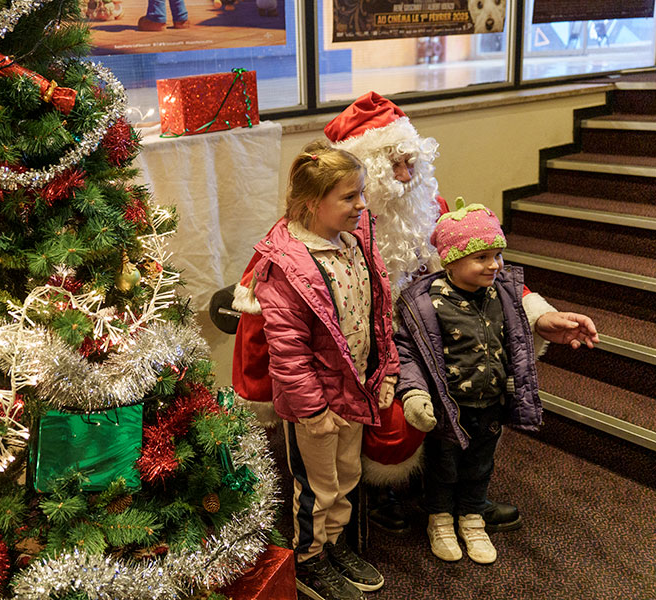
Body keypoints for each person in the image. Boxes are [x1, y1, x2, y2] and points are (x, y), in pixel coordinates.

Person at [323, 91, 601, 532]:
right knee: (398, 419)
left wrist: (540, 316)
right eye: (391, 166)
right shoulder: (336, 219)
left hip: (436, 332)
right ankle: (382, 489)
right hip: (366, 351)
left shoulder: (428, 207)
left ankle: (465, 496)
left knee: (482, 388)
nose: (405, 176)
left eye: (410, 161)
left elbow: (476, 267)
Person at [393, 198, 597, 564]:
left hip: (489, 403)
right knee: (444, 466)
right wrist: (415, 393)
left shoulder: (501, 293)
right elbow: (409, 353)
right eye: (482, 257)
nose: (495, 265)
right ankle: (440, 519)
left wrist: (547, 324)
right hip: (448, 406)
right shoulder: (428, 302)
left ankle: (472, 519)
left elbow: (519, 335)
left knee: (480, 465)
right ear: (452, 261)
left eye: (497, 255)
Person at [238, 140, 397, 600]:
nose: (361, 205)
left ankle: (334, 543)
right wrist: (311, 409)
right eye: (350, 197)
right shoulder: (288, 265)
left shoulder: (355, 243)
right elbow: (288, 350)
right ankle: (308, 558)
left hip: (355, 389)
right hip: (315, 405)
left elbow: (378, 313)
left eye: (360, 193)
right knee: (316, 487)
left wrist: (386, 370)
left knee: (346, 476)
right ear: (313, 204)